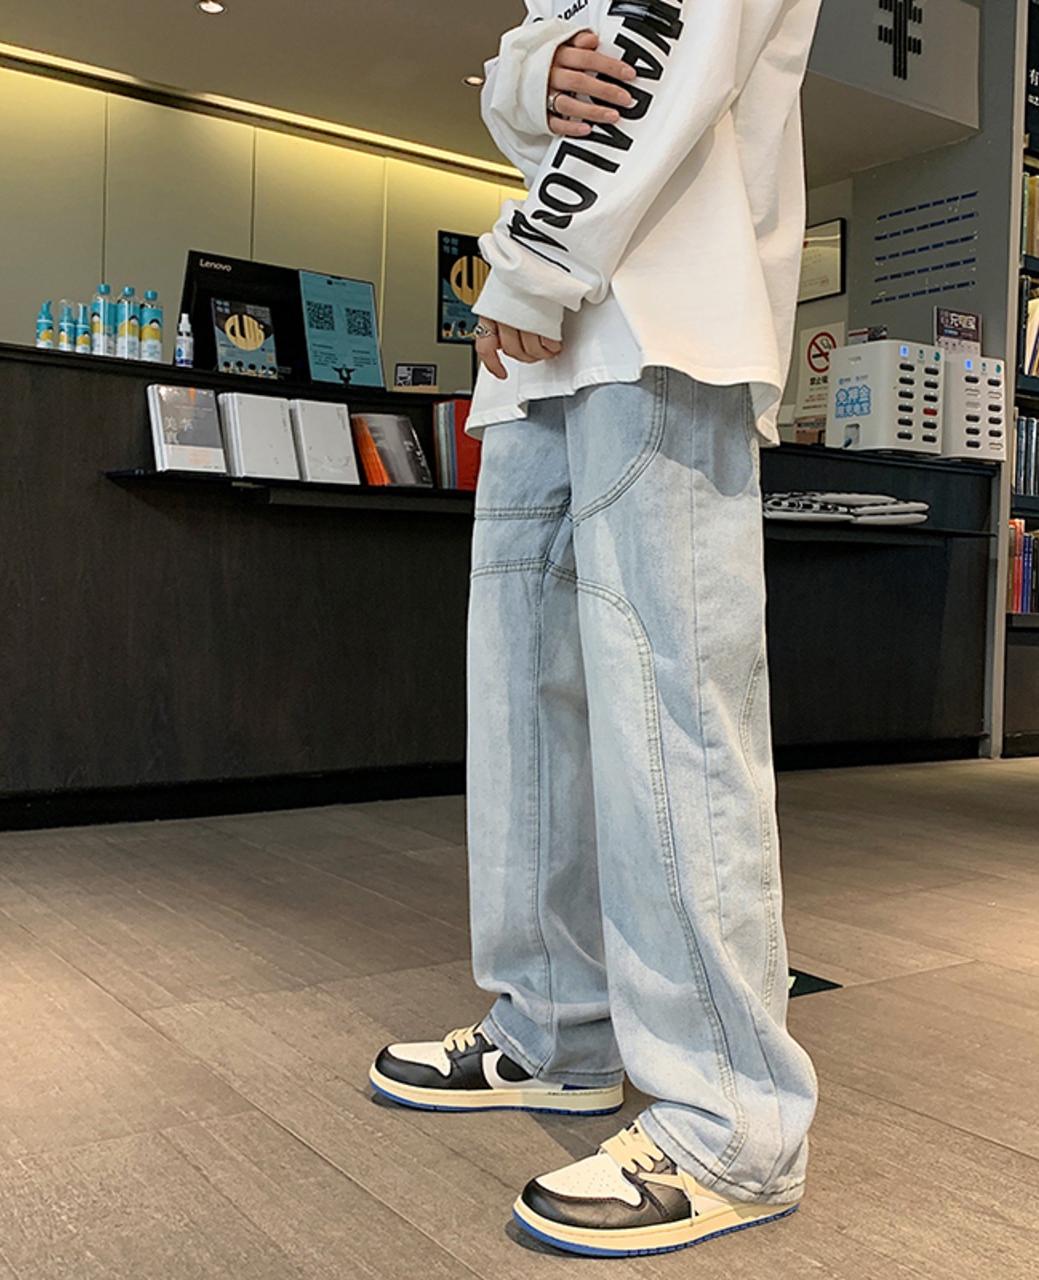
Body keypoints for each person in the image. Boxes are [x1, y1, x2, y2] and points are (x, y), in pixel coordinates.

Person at [370, 0, 823, 1257]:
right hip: (545, 343)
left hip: (659, 312)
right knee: (527, 694)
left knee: (672, 708)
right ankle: (554, 1024)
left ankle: (732, 1119)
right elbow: (530, 75)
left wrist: (530, 257)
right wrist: (530, 78)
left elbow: (663, 43)